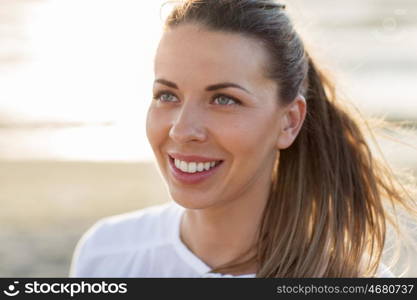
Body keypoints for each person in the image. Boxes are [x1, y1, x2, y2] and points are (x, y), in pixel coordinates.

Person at [69, 0, 416, 277]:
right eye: (167, 95)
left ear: (289, 122)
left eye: (224, 99)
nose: (182, 130)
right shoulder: (105, 254)